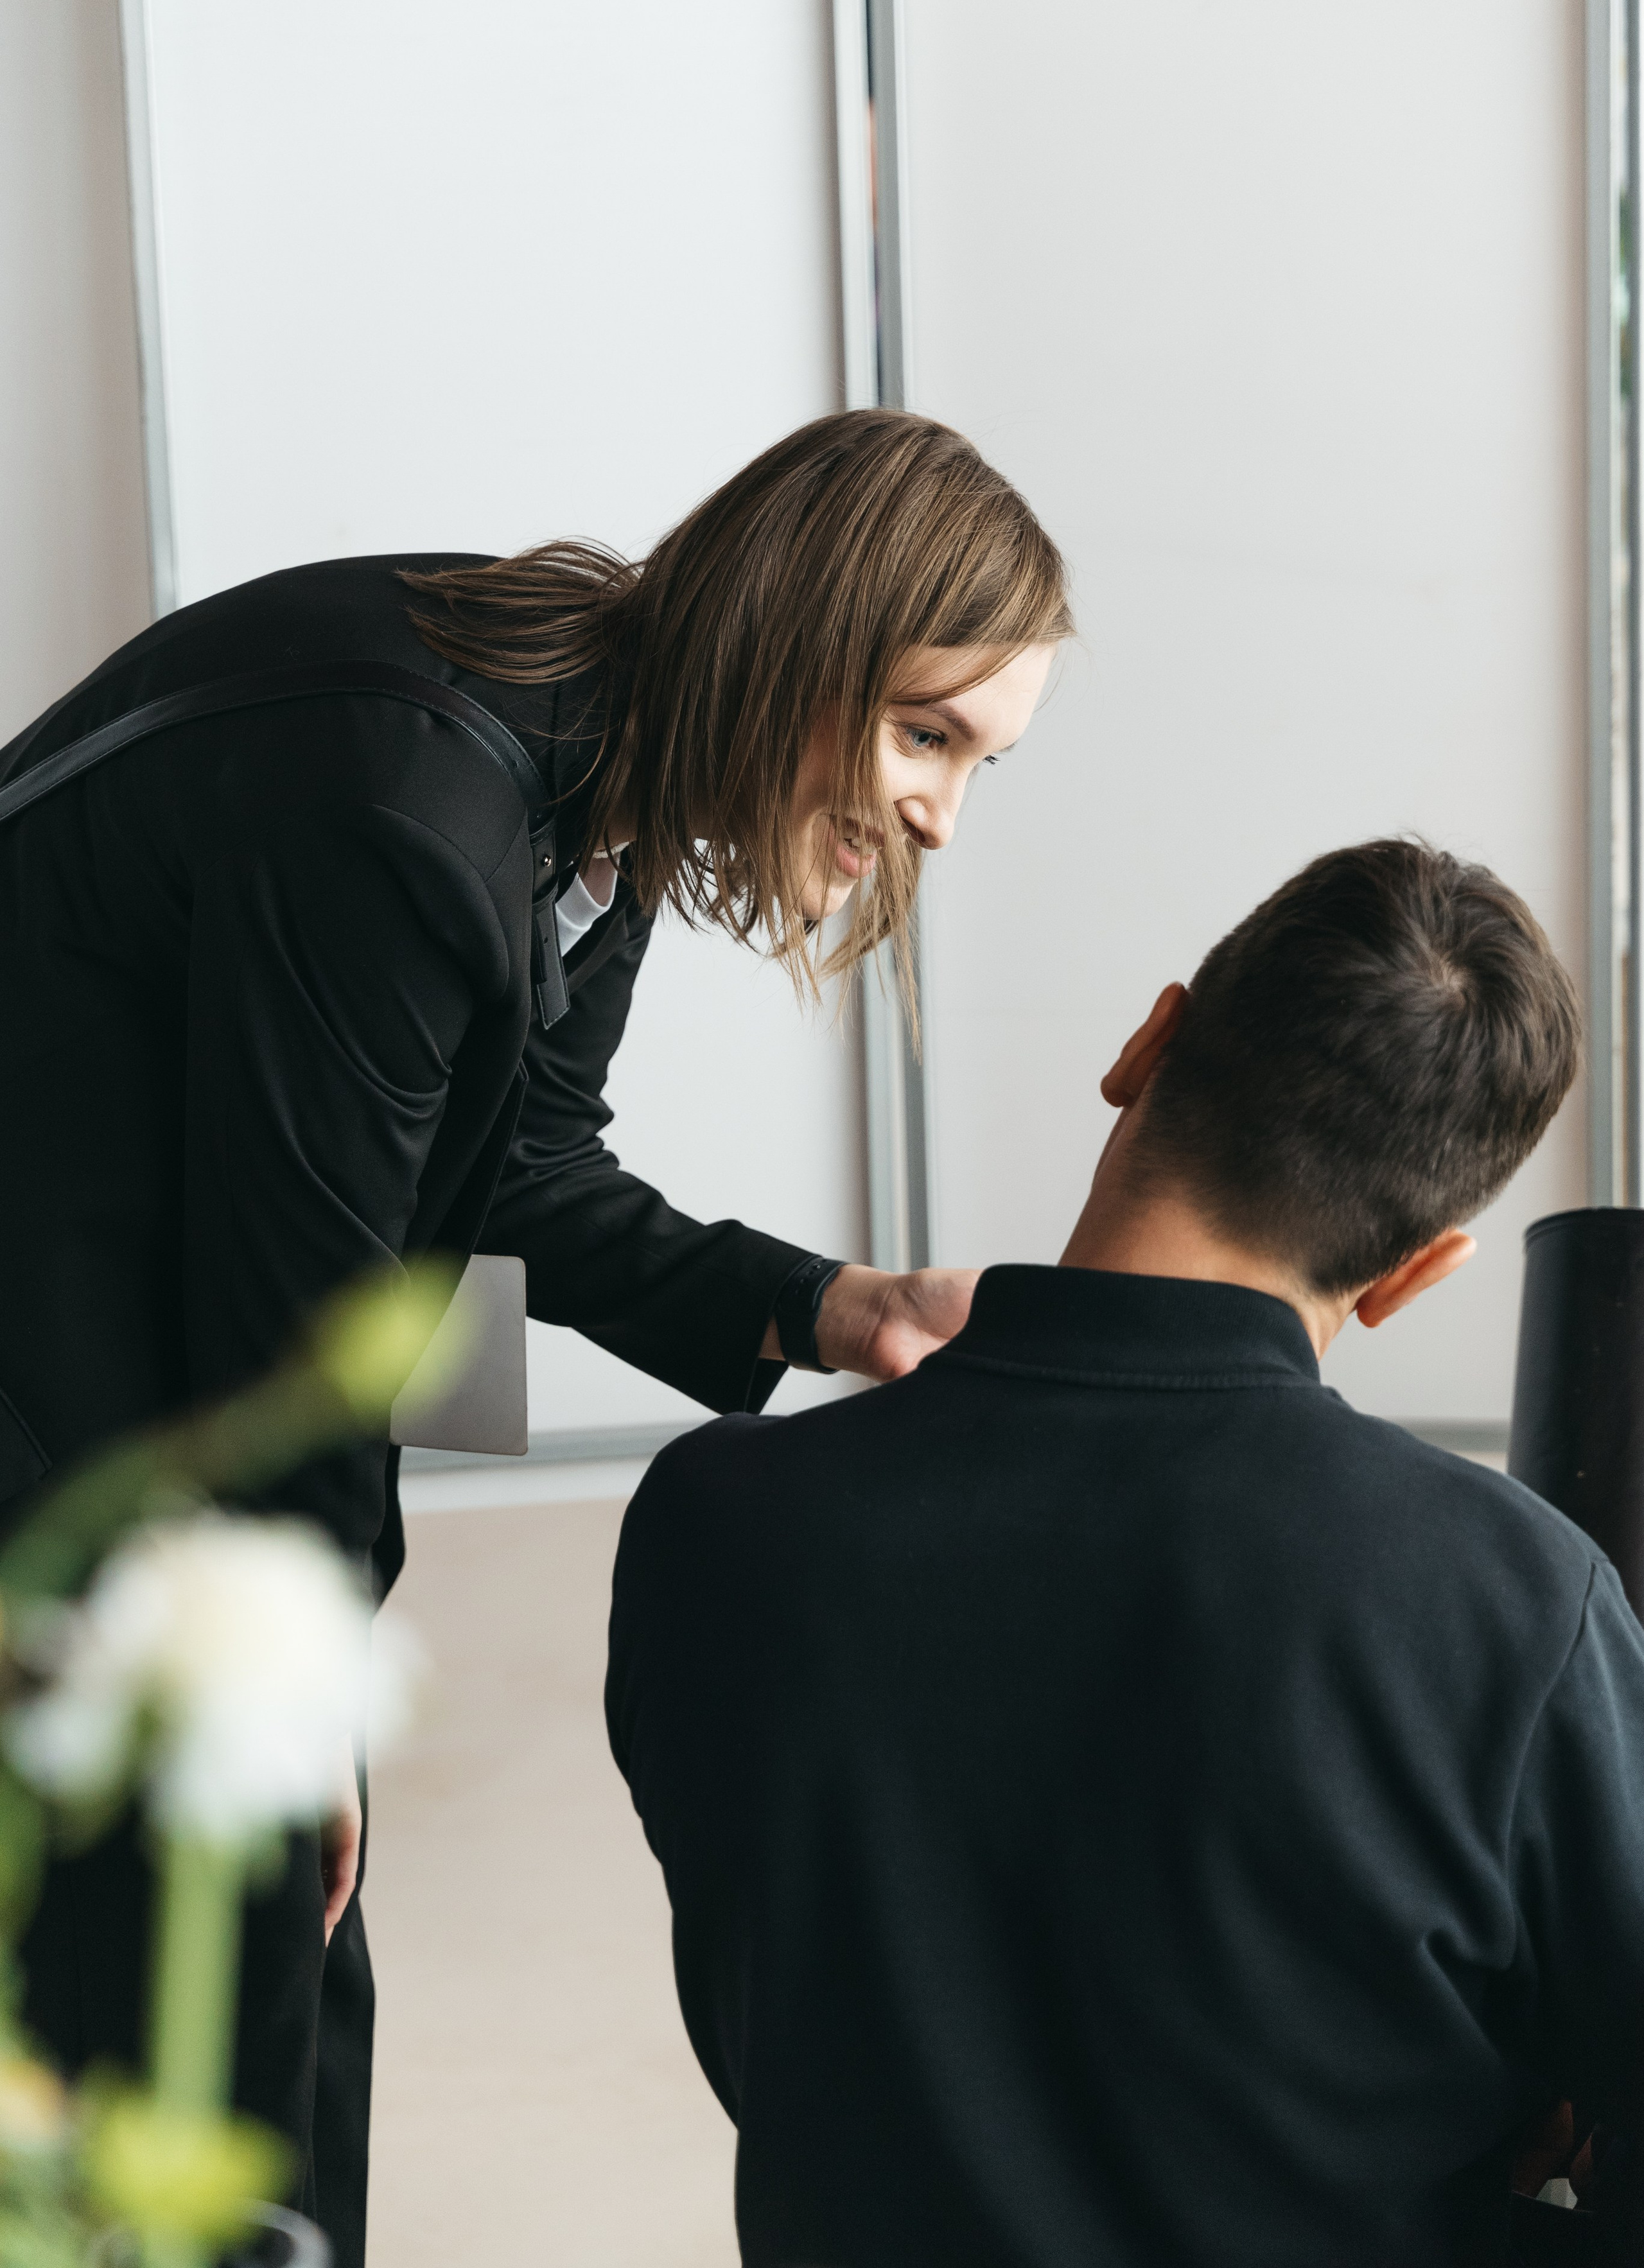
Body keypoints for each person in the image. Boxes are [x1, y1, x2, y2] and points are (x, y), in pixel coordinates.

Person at [0, 409, 1072, 2264]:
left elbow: (511, 1159)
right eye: (923, 733)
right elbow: (304, 1320)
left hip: (110, 1307)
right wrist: (302, 1686)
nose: (938, 816)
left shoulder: (601, 784)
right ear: (796, 639)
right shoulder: (412, 809)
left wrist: (836, 1302)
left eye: (978, 760)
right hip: (60, 1355)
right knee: (202, 1996)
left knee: (255, 2003)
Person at [607, 837, 1644, 2268]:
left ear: (1146, 1044)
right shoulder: (1514, 1605)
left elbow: (781, 2029)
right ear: (1416, 1271)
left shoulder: (713, 1520)